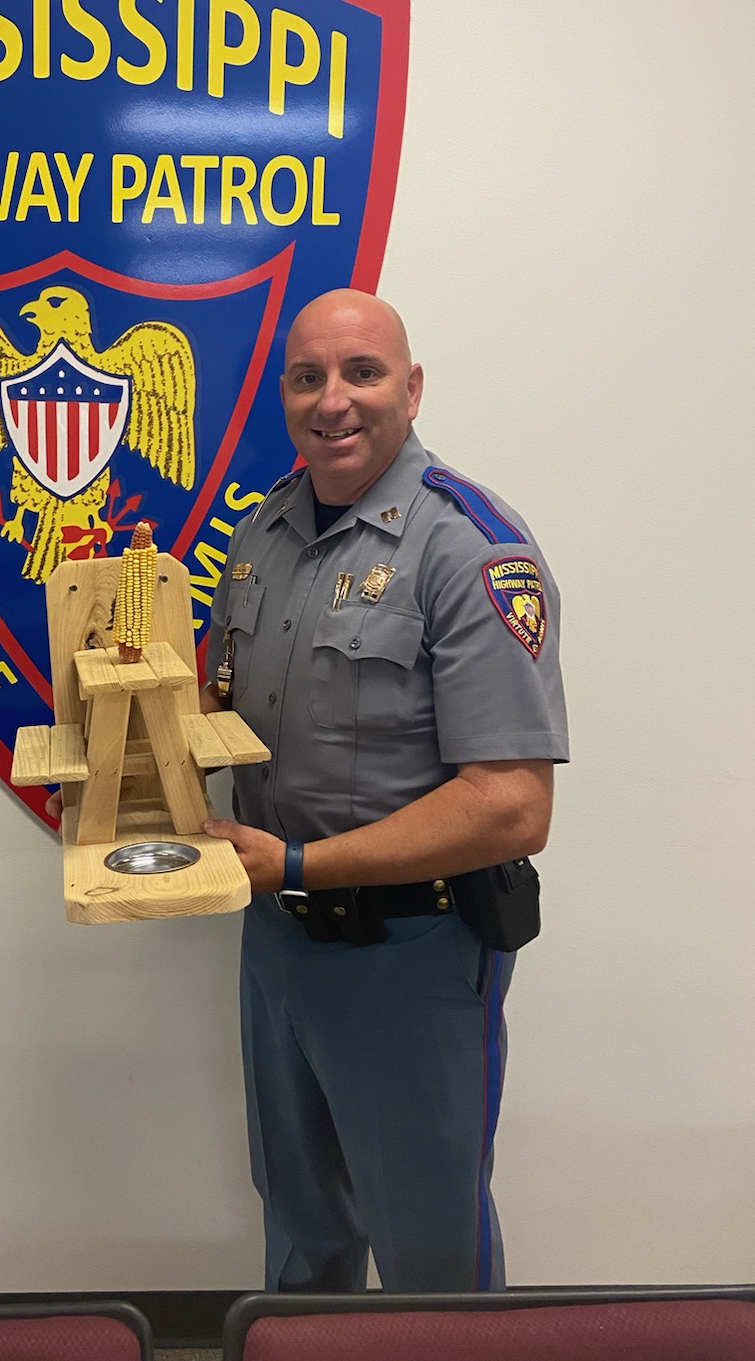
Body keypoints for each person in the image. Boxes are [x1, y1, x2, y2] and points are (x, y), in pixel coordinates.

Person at [200, 287, 568, 1295]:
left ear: (411, 389)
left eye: (362, 373)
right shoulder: (265, 530)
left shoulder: (471, 546)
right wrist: (125, 762)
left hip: (411, 954)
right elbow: (220, 698)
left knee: (429, 1259)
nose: (333, 400)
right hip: (277, 944)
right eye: (307, 376)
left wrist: (301, 864)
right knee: (301, 1238)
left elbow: (512, 805)